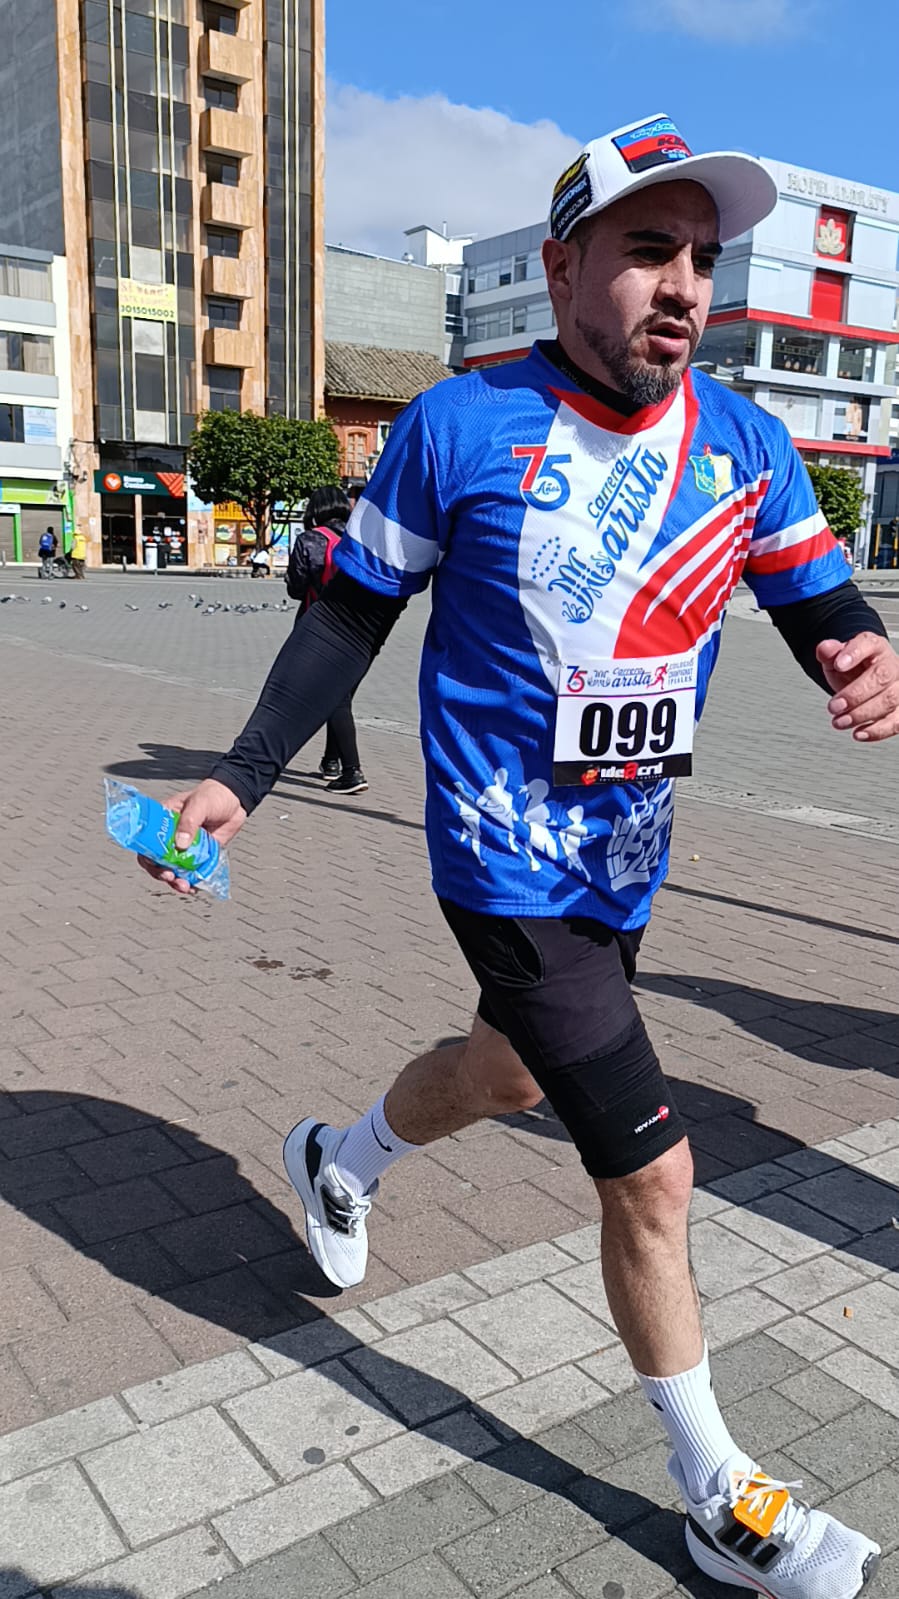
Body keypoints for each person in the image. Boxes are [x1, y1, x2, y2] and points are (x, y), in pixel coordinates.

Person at [140, 113, 898, 1597]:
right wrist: (243, 771)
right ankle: (714, 1491)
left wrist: (860, 654)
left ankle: (337, 1157)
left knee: (503, 1074)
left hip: (627, 850)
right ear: (559, 270)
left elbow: (818, 604)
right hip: (500, 853)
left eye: (699, 259)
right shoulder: (458, 425)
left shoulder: (745, 443)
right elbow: (349, 612)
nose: (680, 285)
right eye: (645, 250)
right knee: (656, 1172)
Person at [286, 485, 368, 794]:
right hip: (362, 628)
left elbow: (296, 588)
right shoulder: (359, 536)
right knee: (341, 694)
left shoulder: (309, 540)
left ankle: (352, 771)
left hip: (320, 628)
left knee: (335, 699)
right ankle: (331, 761)